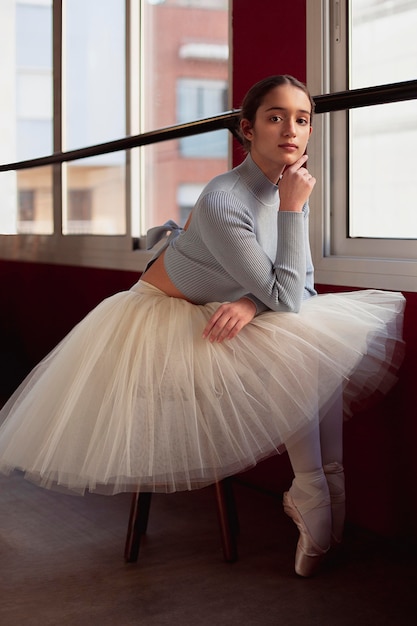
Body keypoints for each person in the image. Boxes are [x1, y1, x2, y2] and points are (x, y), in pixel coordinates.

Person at [0, 75, 405, 577]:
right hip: (158, 321)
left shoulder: (279, 189)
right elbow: (288, 295)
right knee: (295, 341)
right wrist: (292, 218)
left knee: (306, 336)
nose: (291, 130)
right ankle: (315, 493)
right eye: (275, 117)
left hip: (220, 308)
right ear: (247, 129)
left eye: (302, 119)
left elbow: (301, 291)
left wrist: (253, 304)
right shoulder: (225, 197)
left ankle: (324, 489)